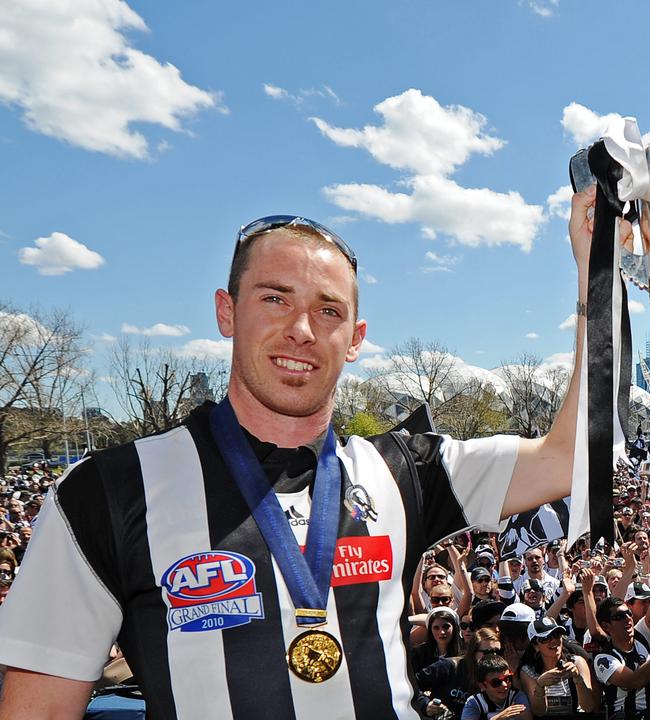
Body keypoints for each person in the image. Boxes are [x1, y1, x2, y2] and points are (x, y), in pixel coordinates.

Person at [0, 188, 608, 718]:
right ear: (225, 310)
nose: (302, 330)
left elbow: (565, 458)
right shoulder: (106, 492)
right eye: (274, 298)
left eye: (329, 310)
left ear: (356, 340)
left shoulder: (404, 472)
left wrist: (593, 272)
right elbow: (41, 710)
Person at [517, 616, 597, 716]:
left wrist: (577, 678)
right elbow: (539, 712)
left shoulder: (577, 662)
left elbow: (588, 707)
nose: (554, 641)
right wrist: (540, 685)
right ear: (535, 645)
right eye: (546, 638)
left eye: (557, 635)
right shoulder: (528, 671)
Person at [460, 654, 530, 720]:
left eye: (507, 679)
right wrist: (499, 718)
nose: (504, 685)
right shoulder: (474, 702)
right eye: (496, 682)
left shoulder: (517, 697)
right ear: (482, 686)